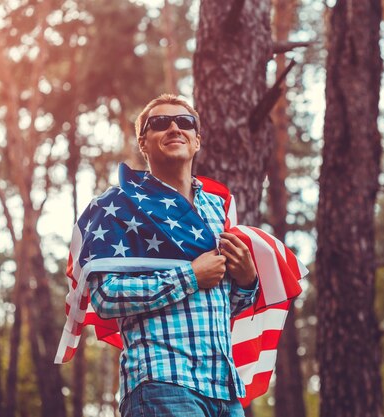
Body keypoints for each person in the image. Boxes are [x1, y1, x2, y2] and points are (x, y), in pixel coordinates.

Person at [89, 94, 259, 417]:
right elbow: (104, 296)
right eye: (159, 123)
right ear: (143, 142)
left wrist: (248, 280)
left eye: (184, 122)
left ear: (197, 140)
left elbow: (219, 302)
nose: (173, 128)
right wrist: (190, 277)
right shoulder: (120, 207)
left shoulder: (216, 209)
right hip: (162, 383)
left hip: (225, 393)